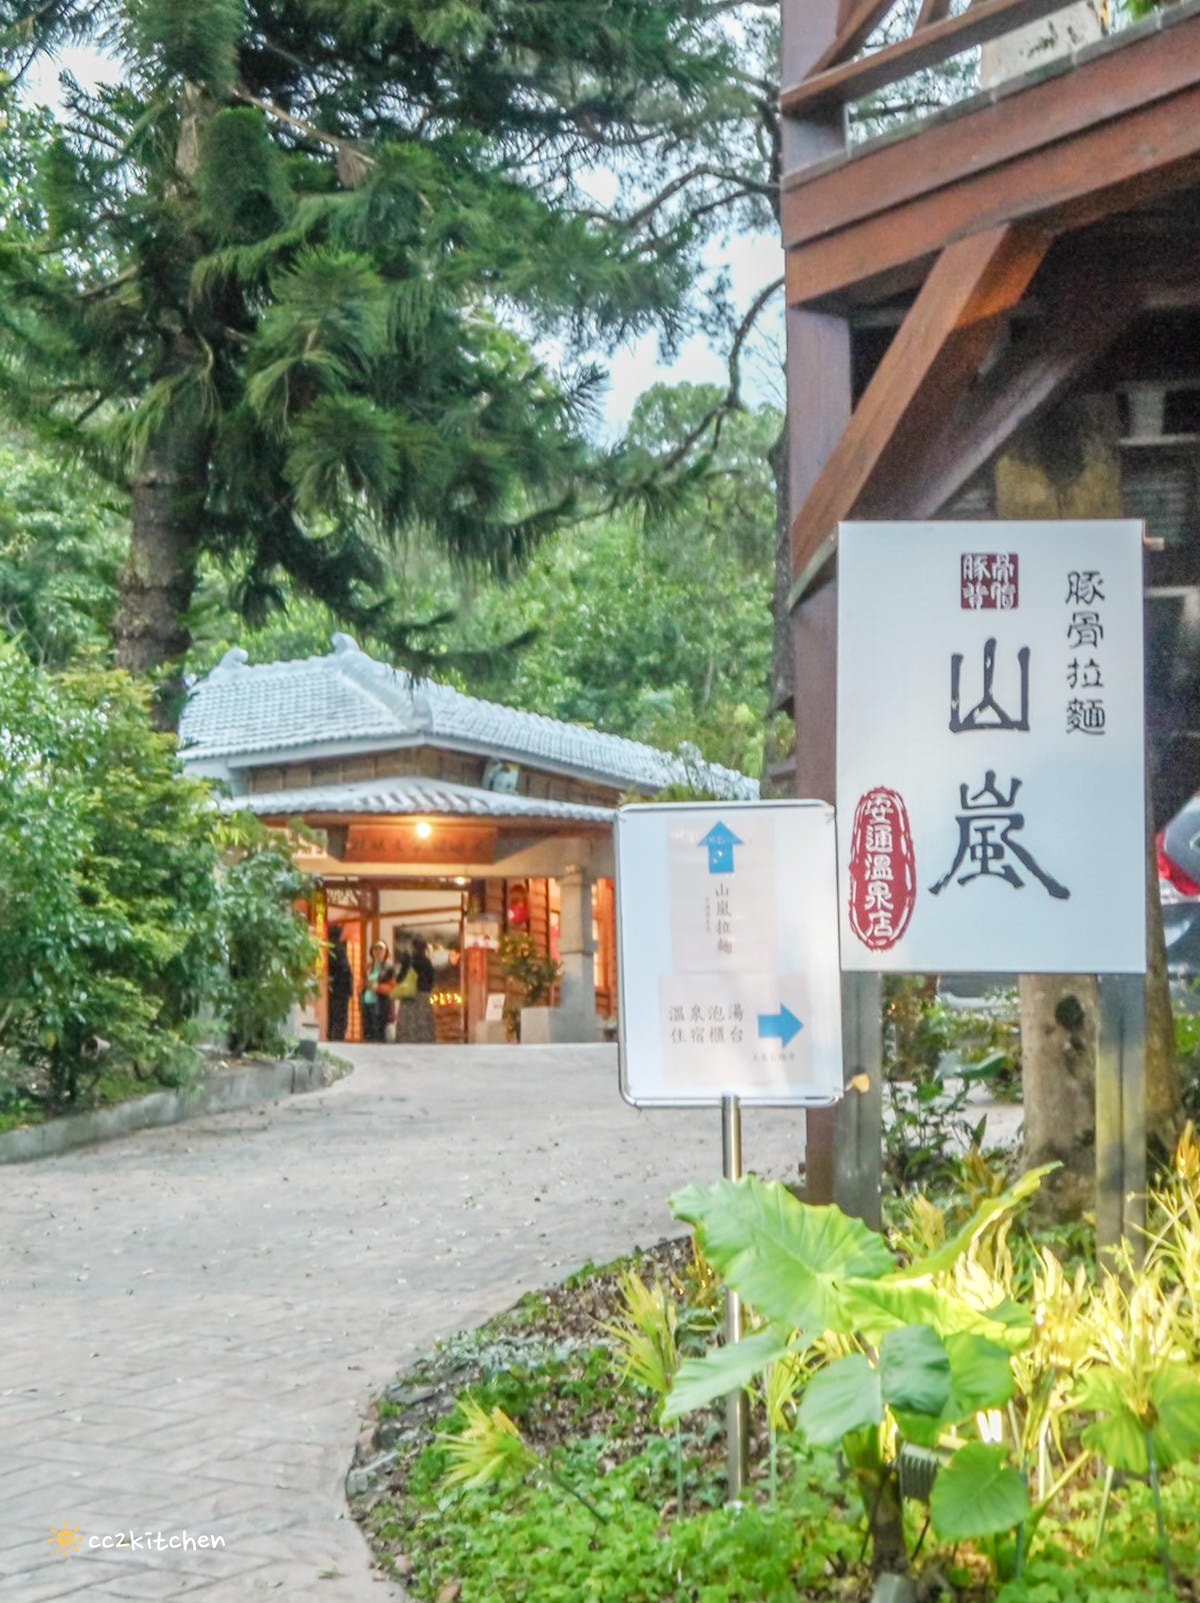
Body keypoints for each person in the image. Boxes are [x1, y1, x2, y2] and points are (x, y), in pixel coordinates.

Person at [395, 934, 437, 1044]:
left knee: (408, 1029)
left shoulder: (408, 961)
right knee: (423, 1029)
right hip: (423, 997)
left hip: (409, 997)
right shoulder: (427, 963)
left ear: (413, 947)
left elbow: (399, 978)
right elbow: (431, 981)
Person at [361, 940, 395, 1042]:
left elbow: (392, 987)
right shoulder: (368, 967)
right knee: (367, 1032)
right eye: (375, 949)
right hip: (367, 1003)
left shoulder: (389, 968)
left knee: (379, 1032)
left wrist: (378, 988)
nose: (378, 952)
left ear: (386, 952)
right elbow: (362, 982)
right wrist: (364, 985)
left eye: (381, 949)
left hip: (381, 1004)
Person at [326, 925, 354, 1042]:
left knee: (333, 1015)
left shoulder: (329, 947)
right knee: (340, 1016)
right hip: (341, 989)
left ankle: (332, 1036)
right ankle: (338, 1038)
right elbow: (344, 969)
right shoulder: (339, 949)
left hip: (333, 988)